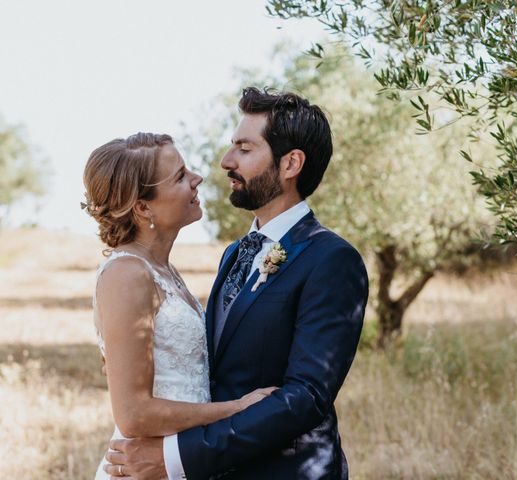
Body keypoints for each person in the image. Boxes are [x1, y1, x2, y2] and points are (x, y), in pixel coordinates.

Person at [104, 88, 369, 480]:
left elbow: (307, 398)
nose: (226, 161)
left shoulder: (331, 259)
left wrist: (177, 457)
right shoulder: (234, 254)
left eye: (244, 149)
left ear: (291, 163)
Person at [83, 133, 276, 480]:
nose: (197, 178)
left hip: (182, 461)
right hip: (146, 467)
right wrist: (235, 410)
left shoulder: (163, 271)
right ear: (143, 207)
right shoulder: (127, 274)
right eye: (180, 176)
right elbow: (133, 414)